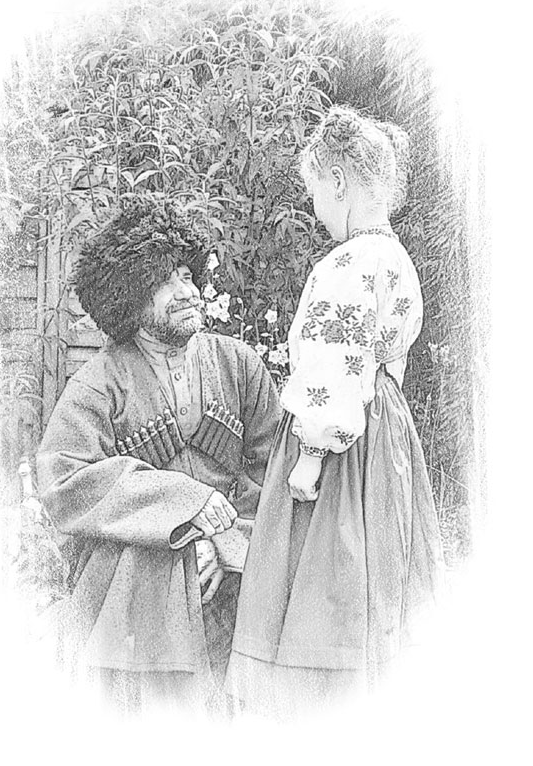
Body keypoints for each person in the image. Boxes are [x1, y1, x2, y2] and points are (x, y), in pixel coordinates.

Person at [225, 105, 445, 716]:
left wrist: (313, 454)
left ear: (340, 182)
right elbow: (386, 363)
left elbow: (334, 363)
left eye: (317, 192)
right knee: (373, 564)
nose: (318, 209)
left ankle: (317, 704)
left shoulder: (347, 265)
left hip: (340, 439)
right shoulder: (397, 260)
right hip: (384, 428)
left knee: (321, 569)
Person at [36, 195, 281, 713]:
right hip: (138, 591)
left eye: (187, 275)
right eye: (165, 281)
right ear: (130, 298)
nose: (187, 291)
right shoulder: (99, 383)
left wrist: (223, 544)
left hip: (235, 570)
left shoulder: (239, 365)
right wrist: (182, 504)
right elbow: (62, 482)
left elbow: (273, 474)